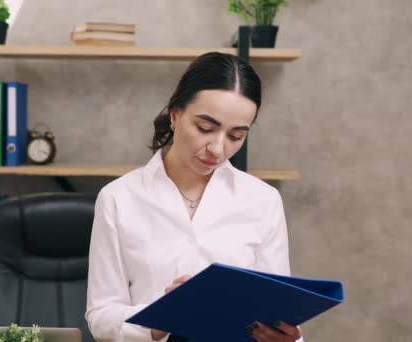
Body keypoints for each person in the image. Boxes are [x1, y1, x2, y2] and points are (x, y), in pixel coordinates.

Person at [85, 52, 303, 342]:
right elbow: (100, 316)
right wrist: (160, 317)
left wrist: (288, 338)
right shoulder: (118, 198)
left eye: (236, 136)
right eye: (205, 129)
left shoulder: (263, 201)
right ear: (175, 116)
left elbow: (278, 307)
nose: (217, 148)